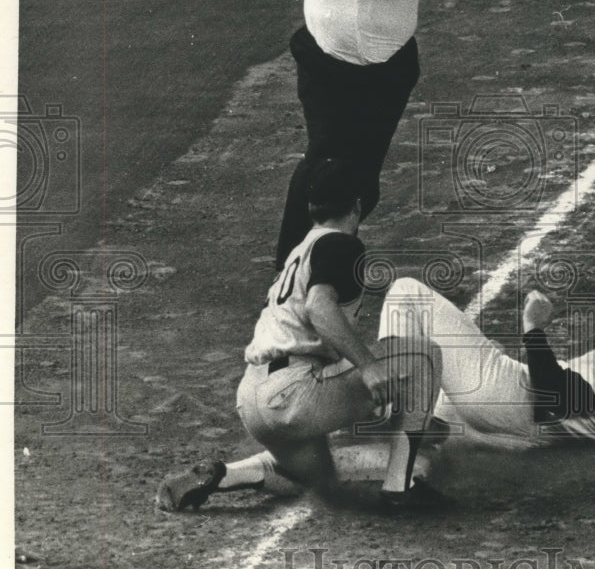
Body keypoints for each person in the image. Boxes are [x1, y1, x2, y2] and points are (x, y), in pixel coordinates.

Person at [192, 0, 578, 269]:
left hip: (387, 75)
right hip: (325, 66)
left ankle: (331, 257)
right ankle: (289, 271)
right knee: (323, 163)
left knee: (363, 185)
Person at [155, 159, 449, 512]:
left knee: (315, 480)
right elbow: (318, 307)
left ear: (311, 208)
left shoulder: (300, 250)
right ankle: (400, 490)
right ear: (357, 205)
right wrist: (370, 367)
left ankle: (222, 476)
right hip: (294, 392)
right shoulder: (341, 244)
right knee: (424, 357)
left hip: (253, 400)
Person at [377, 278, 595, 449]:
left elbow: (554, 397)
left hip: (506, 401)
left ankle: (382, 405)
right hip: (515, 430)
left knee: (407, 292)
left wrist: (532, 326)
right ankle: (428, 429)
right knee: (442, 355)